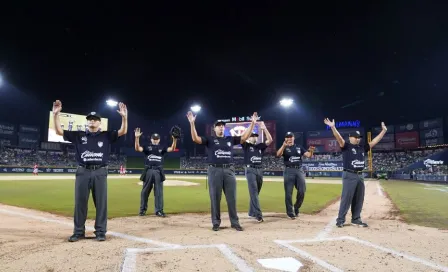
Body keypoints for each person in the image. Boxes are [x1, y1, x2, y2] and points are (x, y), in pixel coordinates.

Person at [52, 99, 128, 242]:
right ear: (87, 122)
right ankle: (79, 231)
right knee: (80, 202)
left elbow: (123, 131)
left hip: (100, 171)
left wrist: (124, 117)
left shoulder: (106, 135)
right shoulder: (78, 135)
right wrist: (56, 115)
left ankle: (100, 231)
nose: (92, 121)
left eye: (95, 119)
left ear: (100, 122)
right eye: (90, 119)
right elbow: (58, 131)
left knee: (101, 203)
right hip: (83, 171)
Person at [187, 111, 258, 231]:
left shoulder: (230, 139)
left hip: (229, 170)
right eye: (218, 125)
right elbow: (195, 138)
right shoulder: (209, 139)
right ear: (214, 128)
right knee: (215, 197)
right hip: (214, 169)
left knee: (232, 198)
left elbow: (245, 137)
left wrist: (252, 123)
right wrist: (192, 123)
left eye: (222, 125)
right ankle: (216, 222)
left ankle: (235, 222)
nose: (221, 127)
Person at [324, 118, 387, 228]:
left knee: (359, 198)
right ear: (350, 137)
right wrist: (333, 127)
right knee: (346, 198)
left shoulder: (362, 147)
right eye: (355, 137)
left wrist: (383, 131)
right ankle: (340, 220)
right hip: (349, 174)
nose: (358, 139)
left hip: (360, 175)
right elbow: (338, 138)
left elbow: (374, 141)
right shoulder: (346, 146)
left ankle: (356, 219)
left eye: (359, 137)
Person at [134, 129, 177, 217]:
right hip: (148, 170)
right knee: (145, 192)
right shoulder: (147, 147)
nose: (155, 140)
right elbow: (137, 148)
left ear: (159, 139)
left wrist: (175, 139)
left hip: (158, 171)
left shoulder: (163, 147)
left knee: (159, 192)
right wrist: (137, 138)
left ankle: (159, 211)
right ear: (151, 139)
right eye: (154, 138)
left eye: (157, 139)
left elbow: (172, 149)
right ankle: (142, 210)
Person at [276, 132, 315, 219]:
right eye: (287, 137)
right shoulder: (284, 148)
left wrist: (311, 151)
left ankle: (296, 207)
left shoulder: (299, 147)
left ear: (293, 138)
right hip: (288, 170)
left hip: (299, 170)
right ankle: (290, 212)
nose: (289, 139)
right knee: (288, 193)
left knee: (302, 191)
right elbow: (278, 155)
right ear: (285, 139)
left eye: (291, 137)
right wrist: (283, 146)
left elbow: (308, 155)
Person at [241, 121, 273, 223]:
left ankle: (251, 212)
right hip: (250, 170)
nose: (254, 137)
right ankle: (258, 215)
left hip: (259, 169)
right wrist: (252, 124)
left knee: (256, 192)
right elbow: (242, 138)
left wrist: (264, 128)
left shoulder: (260, 147)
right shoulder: (246, 146)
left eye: (255, 136)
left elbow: (270, 140)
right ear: (249, 138)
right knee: (254, 192)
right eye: (252, 136)